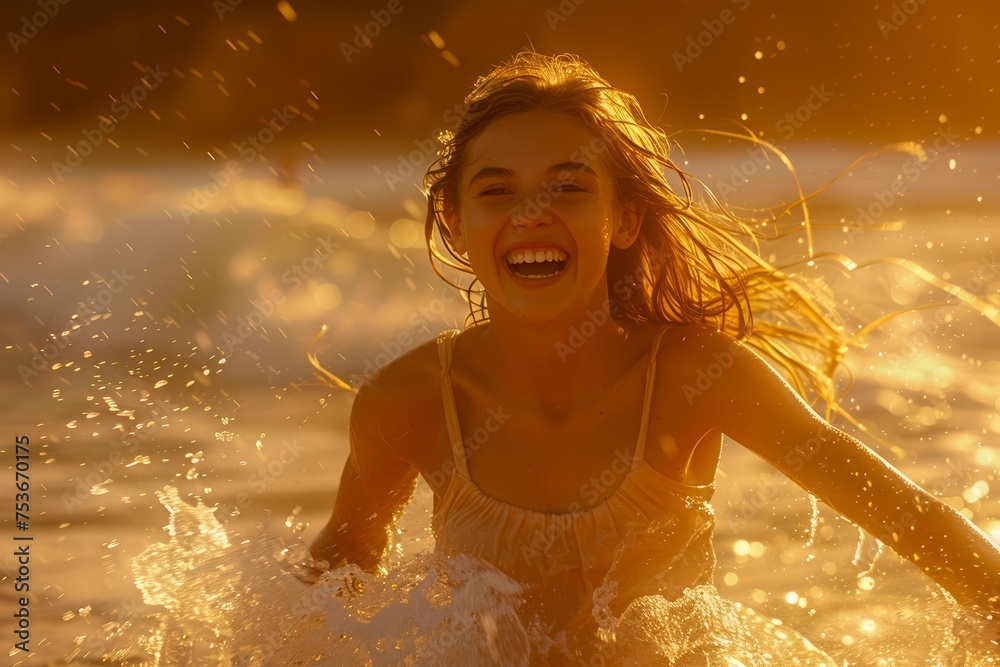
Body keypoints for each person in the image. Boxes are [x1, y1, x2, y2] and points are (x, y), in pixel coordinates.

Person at [308, 52, 999, 663]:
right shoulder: (409, 399)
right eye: (496, 191)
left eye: (569, 188)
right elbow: (329, 597)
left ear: (626, 218)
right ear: (457, 223)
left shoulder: (697, 375)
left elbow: (904, 513)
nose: (531, 215)